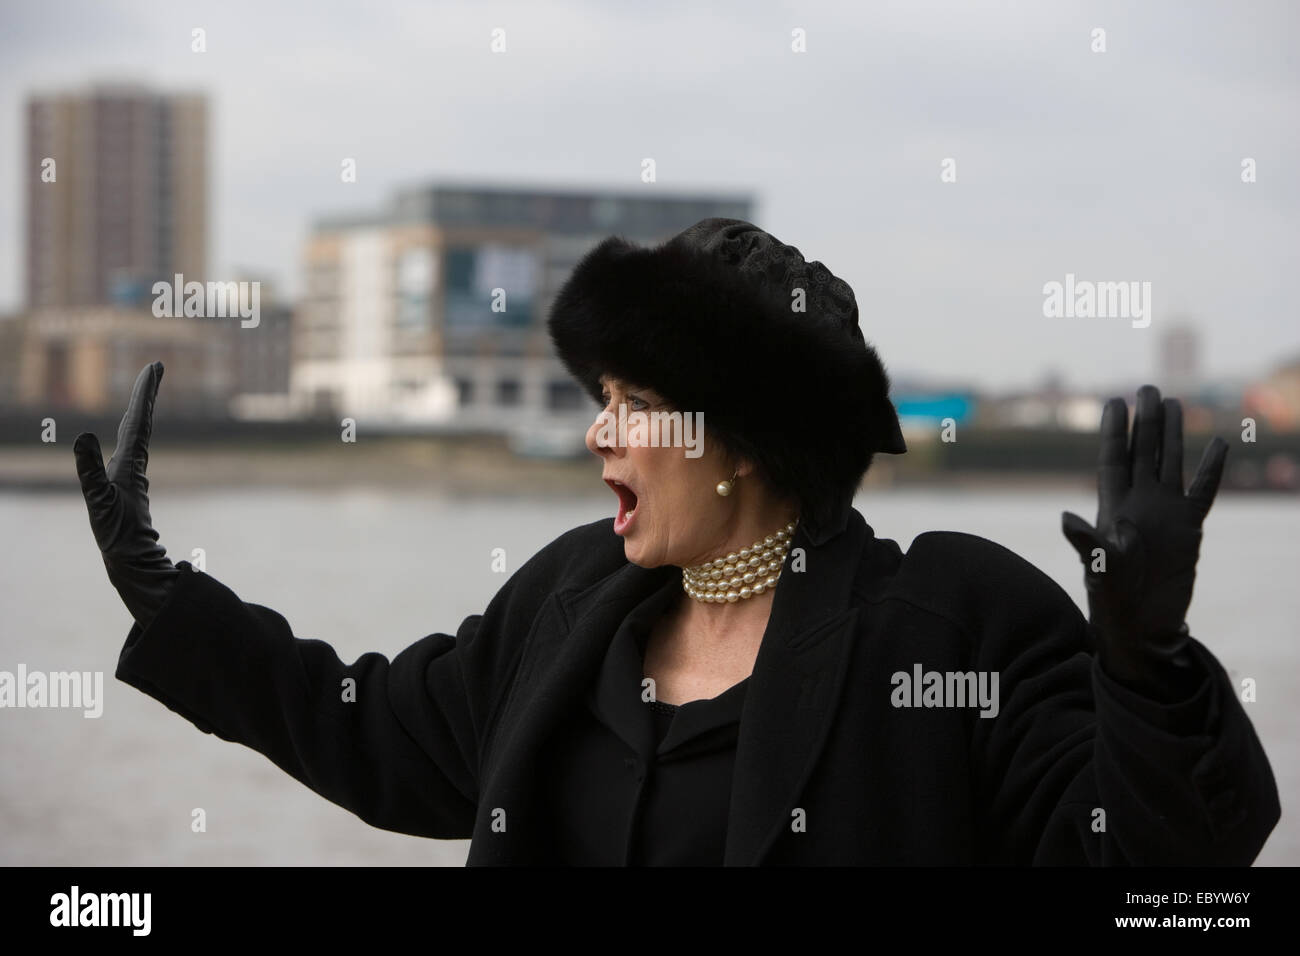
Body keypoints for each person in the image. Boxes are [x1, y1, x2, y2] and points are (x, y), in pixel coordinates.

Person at [75, 219, 1280, 865]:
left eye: (633, 403)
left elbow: (1164, 874)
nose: (599, 435)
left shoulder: (950, 624)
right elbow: (371, 726)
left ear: (743, 436)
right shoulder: (576, 600)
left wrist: (1149, 663)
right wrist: (163, 593)